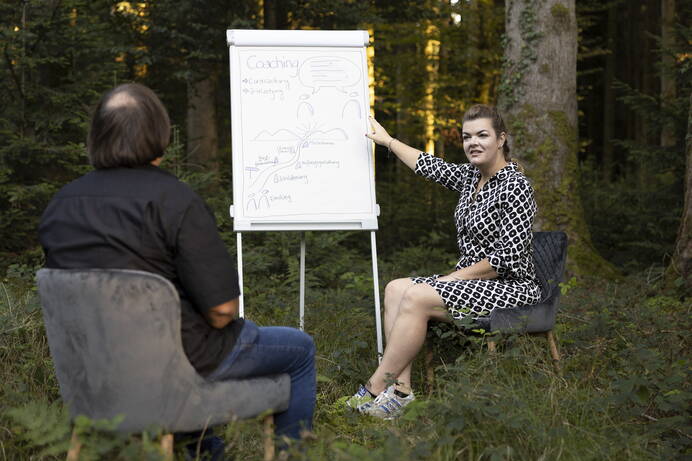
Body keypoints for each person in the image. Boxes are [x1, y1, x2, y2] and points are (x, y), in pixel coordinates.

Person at [38, 83, 316, 459]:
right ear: (159, 132)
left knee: (189, 351)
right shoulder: (174, 200)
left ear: (97, 136)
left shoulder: (61, 204)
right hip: (180, 367)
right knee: (299, 349)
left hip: (92, 379)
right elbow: (221, 312)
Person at [346, 104, 541, 419]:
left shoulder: (516, 186)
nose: (472, 143)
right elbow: (428, 165)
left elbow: (505, 258)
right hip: (470, 283)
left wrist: (452, 279)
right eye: (467, 137)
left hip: (510, 287)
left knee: (418, 295)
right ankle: (401, 392)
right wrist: (389, 141)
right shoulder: (469, 176)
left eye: (482, 135)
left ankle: (376, 385)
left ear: (501, 138)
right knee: (396, 288)